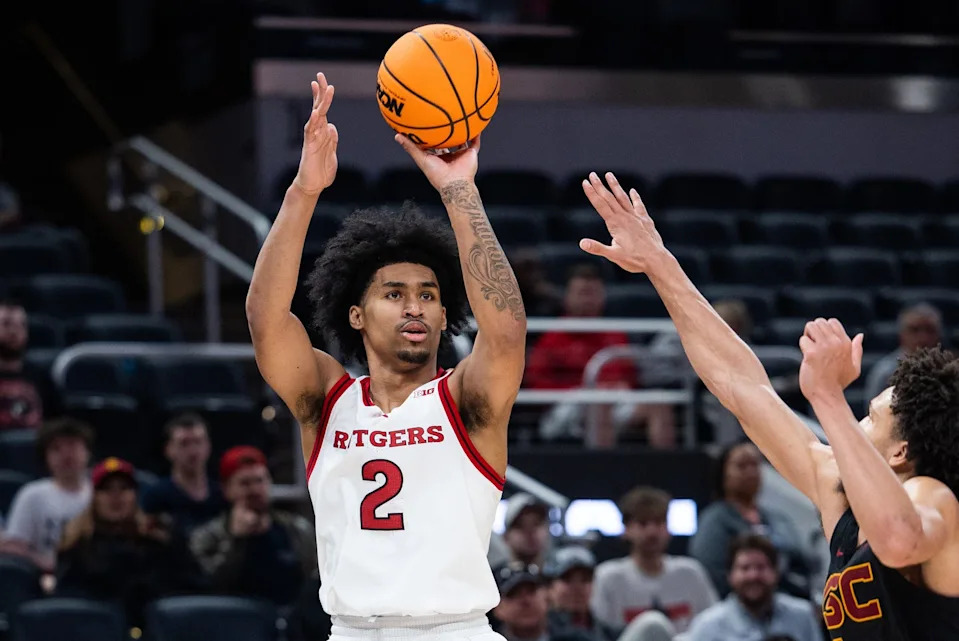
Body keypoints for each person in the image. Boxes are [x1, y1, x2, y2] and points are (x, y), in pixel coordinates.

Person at [577, 171, 959, 639]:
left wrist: (828, 399)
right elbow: (739, 384)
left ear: (900, 452)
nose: (858, 421)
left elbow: (899, 541)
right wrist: (661, 266)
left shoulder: (933, 497)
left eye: (871, 416)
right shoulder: (839, 492)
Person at [245, 73, 526, 637]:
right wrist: (303, 190)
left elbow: (506, 333)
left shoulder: (467, 399)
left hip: (454, 630)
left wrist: (458, 190)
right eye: (393, 295)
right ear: (356, 314)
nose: (415, 308)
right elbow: (266, 319)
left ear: (446, 316)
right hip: (351, 630)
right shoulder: (326, 400)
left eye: (428, 296)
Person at [55, 457, 202, 627]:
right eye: (107, 489)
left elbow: (190, 589)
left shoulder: (159, 540)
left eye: (124, 488)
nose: (116, 497)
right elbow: (67, 602)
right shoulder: (77, 545)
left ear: (135, 495)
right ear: (94, 497)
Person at [189, 446, 316, 605]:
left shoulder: (297, 529)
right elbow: (211, 587)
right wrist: (237, 539)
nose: (255, 490)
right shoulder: (207, 536)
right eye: (245, 483)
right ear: (227, 489)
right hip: (235, 620)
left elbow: (313, 582)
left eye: (260, 481)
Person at [690, 442, 811, 598]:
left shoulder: (777, 518)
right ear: (723, 474)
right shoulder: (714, 521)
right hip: (737, 606)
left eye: (755, 465)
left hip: (786, 604)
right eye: (742, 466)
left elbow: (801, 562)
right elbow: (711, 571)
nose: (751, 472)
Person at [591, 486, 716, 635]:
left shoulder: (691, 573)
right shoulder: (608, 577)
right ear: (626, 529)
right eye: (643, 524)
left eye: (658, 522)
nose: (652, 532)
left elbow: (714, 628)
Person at [684, 534, 822, 641]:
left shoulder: (803, 616)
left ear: (775, 572)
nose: (753, 575)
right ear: (730, 575)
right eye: (745, 568)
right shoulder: (707, 627)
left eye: (761, 567)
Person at [0, 418, 93, 571]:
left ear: (87, 452)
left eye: (72, 446)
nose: (66, 455)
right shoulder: (32, 494)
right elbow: (14, 545)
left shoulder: (101, 494)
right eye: (56, 449)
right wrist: (41, 562)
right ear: (46, 457)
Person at [140, 413, 225, 535]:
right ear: (168, 450)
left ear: (208, 446)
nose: (192, 451)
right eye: (184, 443)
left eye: (198, 442)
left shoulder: (221, 495)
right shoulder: (156, 497)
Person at [862, 303, 942, 413]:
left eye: (929, 330)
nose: (923, 337)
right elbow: (872, 414)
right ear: (902, 334)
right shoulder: (884, 372)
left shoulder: (949, 368)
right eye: (914, 330)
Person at [545, 546, 619, 641]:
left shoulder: (610, 635)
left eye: (585, 579)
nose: (577, 588)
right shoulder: (538, 632)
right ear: (549, 587)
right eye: (567, 579)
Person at [0, 298, 45, 430]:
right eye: (6, 324)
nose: (14, 331)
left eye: (21, 325)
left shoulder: (41, 376)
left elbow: (56, 425)